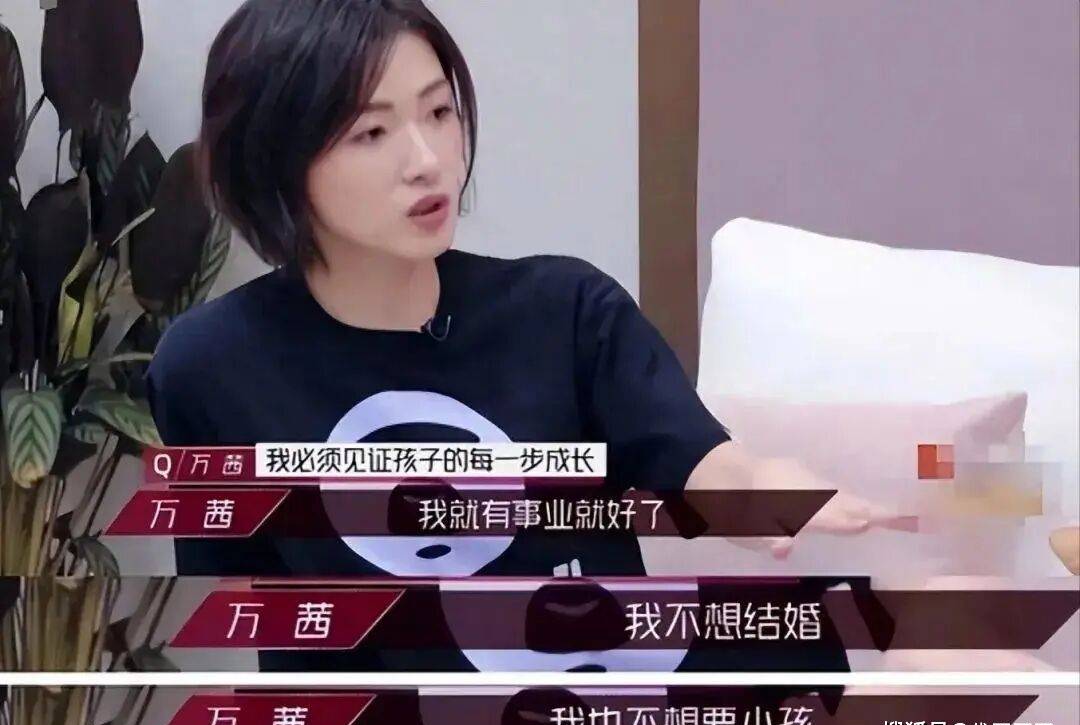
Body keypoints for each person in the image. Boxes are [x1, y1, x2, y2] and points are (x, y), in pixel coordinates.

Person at [146, 0, 891, 579]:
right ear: (275, 160)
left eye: (439, 112)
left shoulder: (565, 312)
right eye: (371, 133)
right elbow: (236, 607)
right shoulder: (210, 366)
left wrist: (758, 489)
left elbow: (700, 462)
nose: (428, 160)